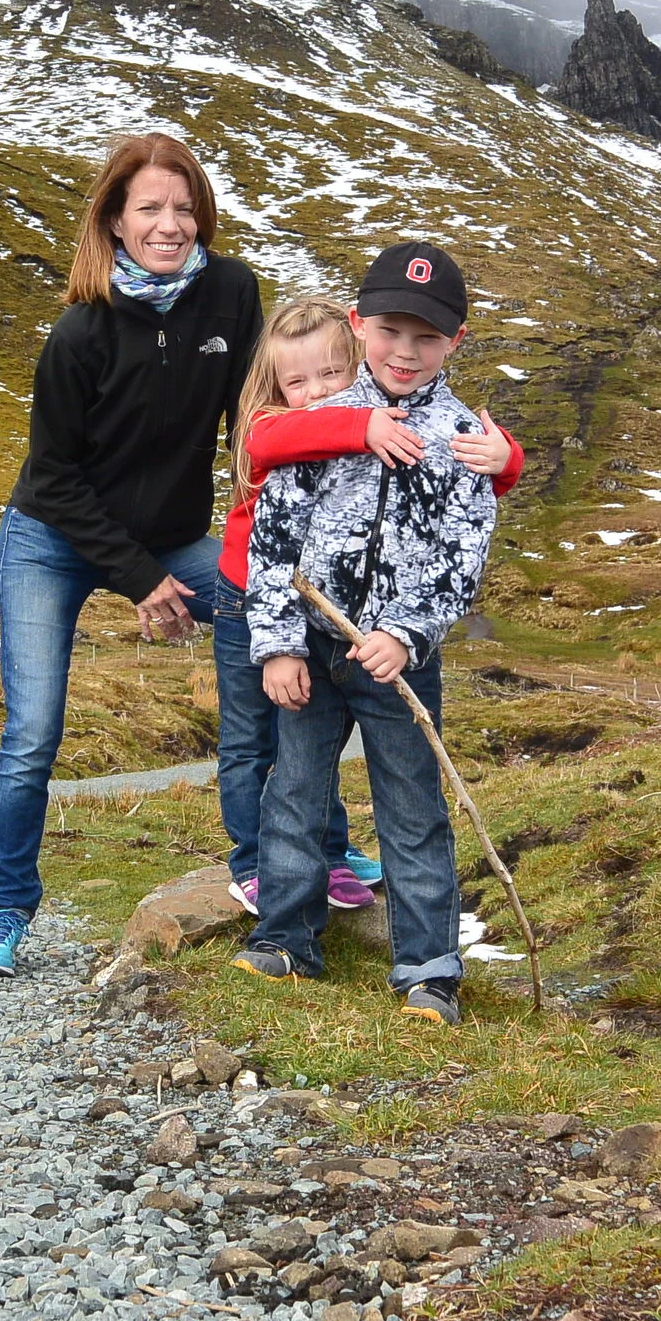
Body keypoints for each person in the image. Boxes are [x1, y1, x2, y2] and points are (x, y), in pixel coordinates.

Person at [0, 132, 263, 978]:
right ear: (115, 222)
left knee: (271, 630)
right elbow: (51, 481)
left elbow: (253, 423)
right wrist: (141, 581)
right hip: (50, 543)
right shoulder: (80, 333)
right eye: (150, 209)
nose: (170, 225)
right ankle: (4, 912)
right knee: (32, 737)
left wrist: (266, 519)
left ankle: (285, 860)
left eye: (183, 206)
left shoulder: (232, 293)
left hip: (172, 539)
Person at [232, 241, 498, 1025]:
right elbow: (274, 539)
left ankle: (428, 970)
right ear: (359, 326)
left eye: (427, 337)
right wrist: (277, 643)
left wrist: (407, 634)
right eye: (390, 331)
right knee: (294, 793)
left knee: (412, 807)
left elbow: (462, 558)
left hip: (398, 664)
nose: (405, 351)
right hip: (311, 647)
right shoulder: (321, 426)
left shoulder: (464, 443)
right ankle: (285, 938)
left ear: (456, 342)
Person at [211, 296, 524, 916]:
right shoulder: (276, 424)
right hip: (248, 593)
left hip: (333, 614)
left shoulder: (386, 412)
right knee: (254, 741)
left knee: (307, 746)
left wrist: (506, 457)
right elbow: (280, 435)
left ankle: (329, 855)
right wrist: (358, 425)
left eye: (331, 374)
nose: (315, 392)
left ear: (355, 359)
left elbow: (451, 465)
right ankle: (254, 863)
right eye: (296, 381)